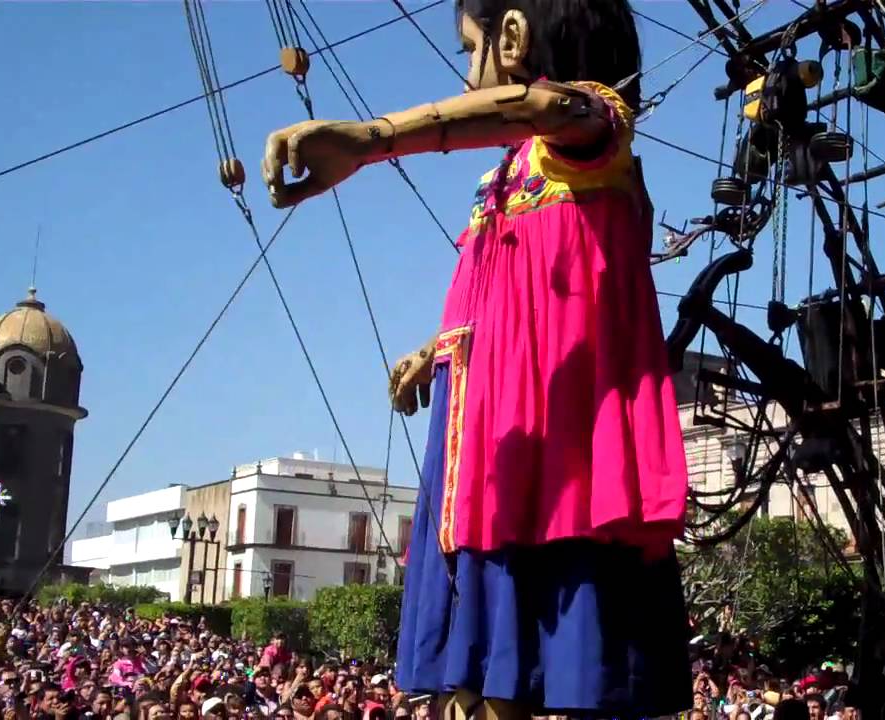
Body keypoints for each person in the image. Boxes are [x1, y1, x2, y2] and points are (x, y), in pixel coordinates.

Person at [261, 0, 691, 718]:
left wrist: (369, 141)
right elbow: (504, 295)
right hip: (487, 444)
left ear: (515, 37)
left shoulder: (592, 127)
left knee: (540, 659)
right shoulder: (509, 179)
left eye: (470, 49)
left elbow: (540, 107)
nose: (468, 68)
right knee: (487, 676)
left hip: (557, 454)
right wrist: (436, 349)